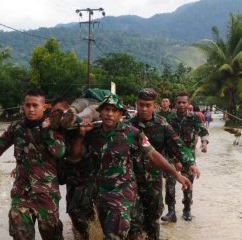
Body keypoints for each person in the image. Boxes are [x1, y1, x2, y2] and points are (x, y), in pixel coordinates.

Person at [70, 94, 191, 240]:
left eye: (114, 110)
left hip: (124, 196)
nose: (109, 113)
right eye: (106, 109)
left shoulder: (133, 133)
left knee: (114, 236)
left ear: (121, 113)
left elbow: (153, 155)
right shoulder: (92, 133)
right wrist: (81, 135)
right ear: (100, 112)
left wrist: (176, 174)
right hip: (101, 196)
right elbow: (75, 157)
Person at [0, 89, 66, 240]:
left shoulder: (53, 127)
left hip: (46, 193)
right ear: (23, 106)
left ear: (44, 107)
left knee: (51, 234)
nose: (31, 109)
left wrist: (46, 132)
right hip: (21, 192)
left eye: (35, 105)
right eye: (27, 105)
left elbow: (59, 152)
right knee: (20, 234)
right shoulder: (16, 128)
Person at [127, 88, 200, 240]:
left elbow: (178, 146)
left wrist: (191, 162)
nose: (144, 108)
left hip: (153, 181)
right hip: (130, 182)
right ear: (136, 104)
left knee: (152, 221)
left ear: (155, 106)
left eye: (148, 105)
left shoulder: (162, 124)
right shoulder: (127, 126)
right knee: (133, 223)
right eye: (141, 105)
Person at [50, 97, 96, 239]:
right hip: (72, 178)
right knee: (75, 211)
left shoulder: (84, 126)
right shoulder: (59, 130)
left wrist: (81, 134)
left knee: (84, 211)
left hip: (89, 177)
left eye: (59, 112)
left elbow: (75, 156)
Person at [162, 92, 209, 221]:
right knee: (170, 184)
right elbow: (165, 139)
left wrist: (204, 143)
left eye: (184, 102)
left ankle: (187, 209)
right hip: (171, 156)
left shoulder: (194, 118)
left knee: (188, 184)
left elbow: (203, 131)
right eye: (179, 102)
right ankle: (171, 211)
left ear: (188, 104)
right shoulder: (169, 118)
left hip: (188, 158)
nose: (181, 105)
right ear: (175, 103)